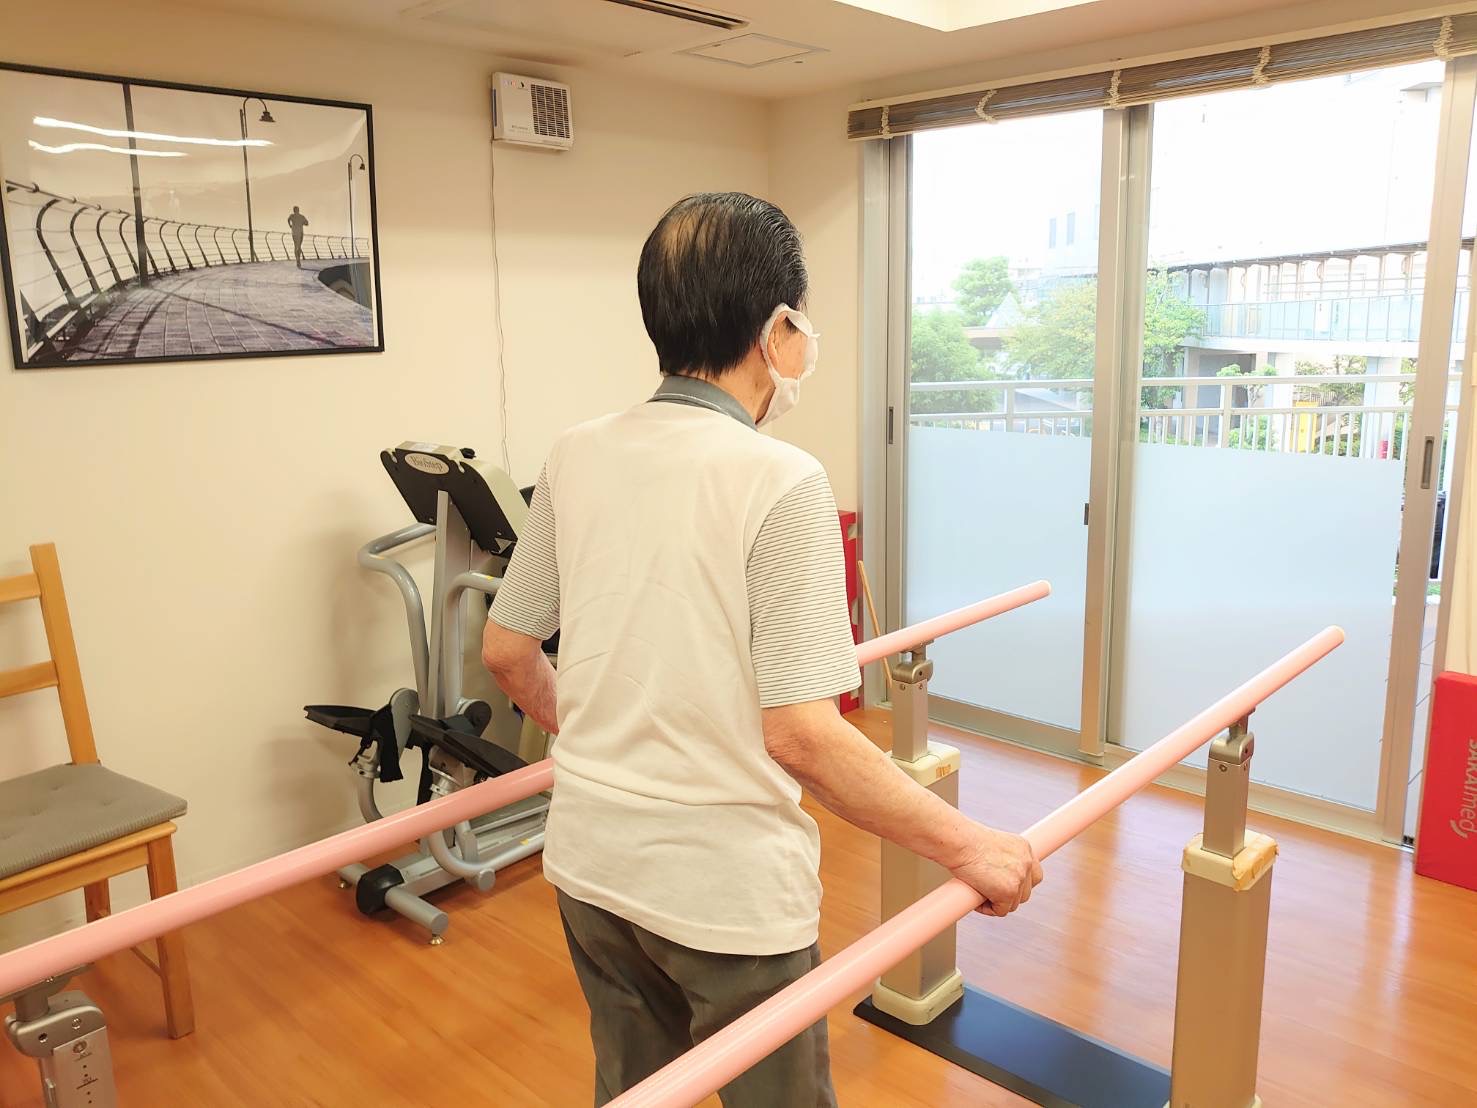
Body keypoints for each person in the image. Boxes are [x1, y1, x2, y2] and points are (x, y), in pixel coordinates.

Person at [481, 192, 1042, 1107]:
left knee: (636, 1092)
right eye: (802, 325)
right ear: (777, 329)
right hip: (721, 894)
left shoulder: (574, 452)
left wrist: (604, 744)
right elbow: (802, 735)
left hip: (587, 861)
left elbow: (507, 651)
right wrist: (968, 844)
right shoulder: (780, 479)